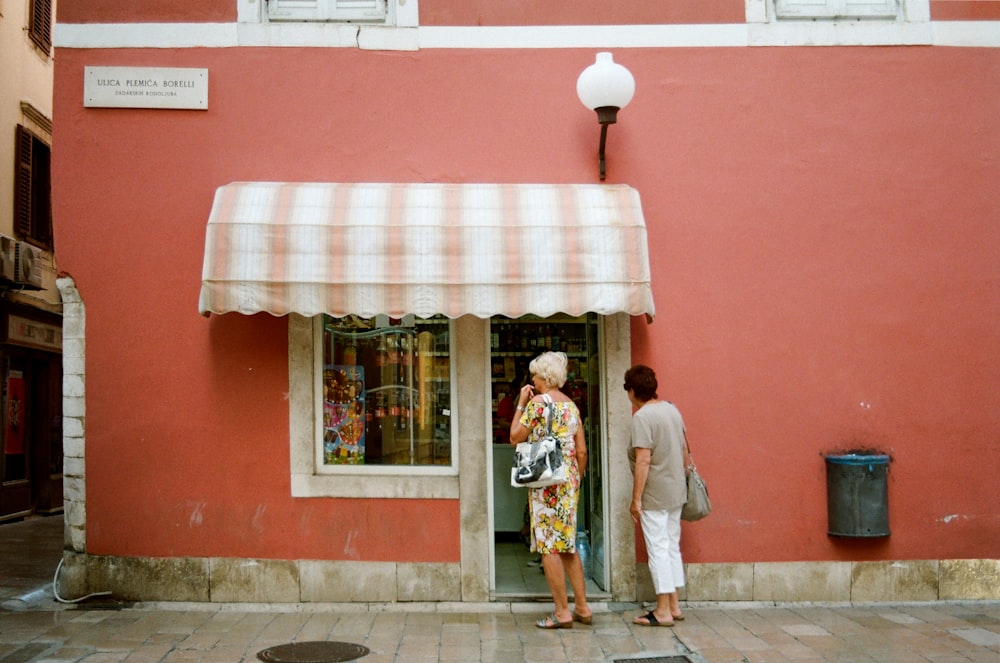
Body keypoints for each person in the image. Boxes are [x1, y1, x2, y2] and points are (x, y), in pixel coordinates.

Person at [510, 351, 592, 629]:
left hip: (545, 481)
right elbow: (582, 450)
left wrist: (521, 403)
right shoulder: (571, 406)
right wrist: (575, 480)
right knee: (567, 544)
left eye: (534, 374)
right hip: (568, 482)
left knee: (548, 547)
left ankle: (561, 612)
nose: (532, 379)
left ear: (543, 377)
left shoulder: (537, 404)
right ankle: (583, 607)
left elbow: (514, 437)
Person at [624, 364, 690, 627]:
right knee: (671, 546)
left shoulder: (642, 417)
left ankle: (662, 610)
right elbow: (684, 449)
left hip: (655, 494)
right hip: (676, 491)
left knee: (658, 550)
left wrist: (636, 499)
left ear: (632, 391)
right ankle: (674, 605)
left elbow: (643, 460)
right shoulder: (672, 409)